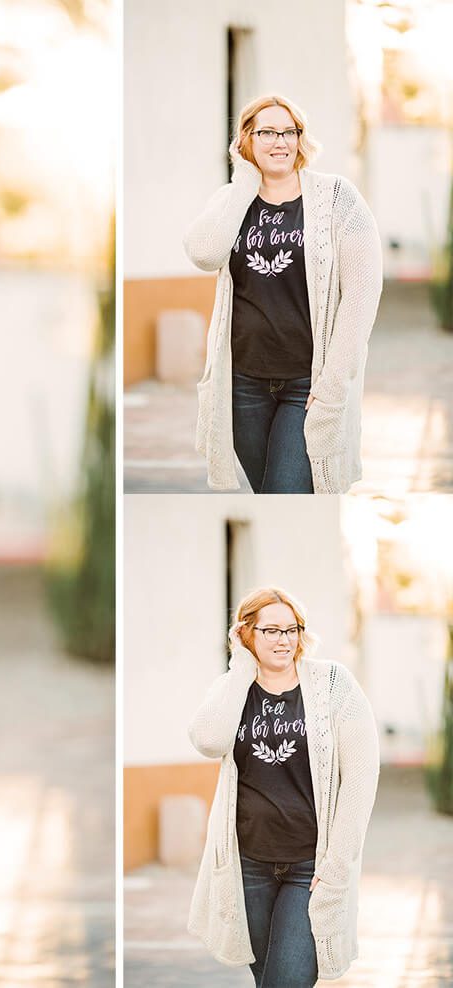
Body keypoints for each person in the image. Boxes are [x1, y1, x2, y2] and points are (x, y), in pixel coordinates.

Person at [184, 94, 382, 493]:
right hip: (242, 384)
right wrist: (244, 181)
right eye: (268, 132)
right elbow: (204, 254)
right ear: (247, 140)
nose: (281, 142)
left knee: (287, 492)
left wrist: (332, 386)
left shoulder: (337, 199)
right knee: (270, 496)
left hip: (306, 385)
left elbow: (361, 297)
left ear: (300, 138)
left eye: (289, 132)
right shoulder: (230, 201)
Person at [187, 587, 378, 986]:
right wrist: (240, 667)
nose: (284, 640)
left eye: (292, 629)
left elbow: (361, 778)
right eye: (271, 631)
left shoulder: (333, 685)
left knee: (286, 981)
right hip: (250, 865)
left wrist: (337, 865)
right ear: (246, 634)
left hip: (311, 866)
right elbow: (208, 740)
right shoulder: (234, 689)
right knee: (267, 979)